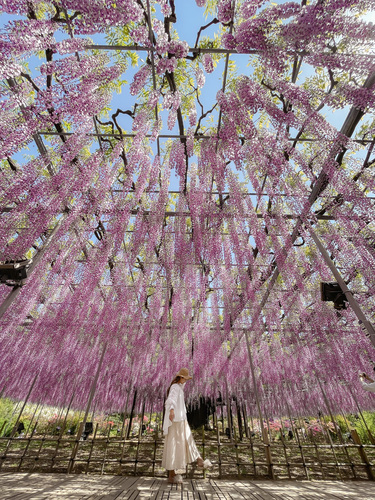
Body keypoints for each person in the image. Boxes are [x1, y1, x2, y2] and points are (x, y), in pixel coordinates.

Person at [162, 368, 211, 484]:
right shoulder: (175, 387)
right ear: (181, 378)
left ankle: (199, 460)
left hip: (181, 419)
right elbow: (170, 399)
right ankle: (172, 475)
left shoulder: (179, 388)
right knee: (174, 445)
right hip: (176, 420)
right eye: (186, 378)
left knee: (187, 440)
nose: (186, 381)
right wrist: (172, 410)